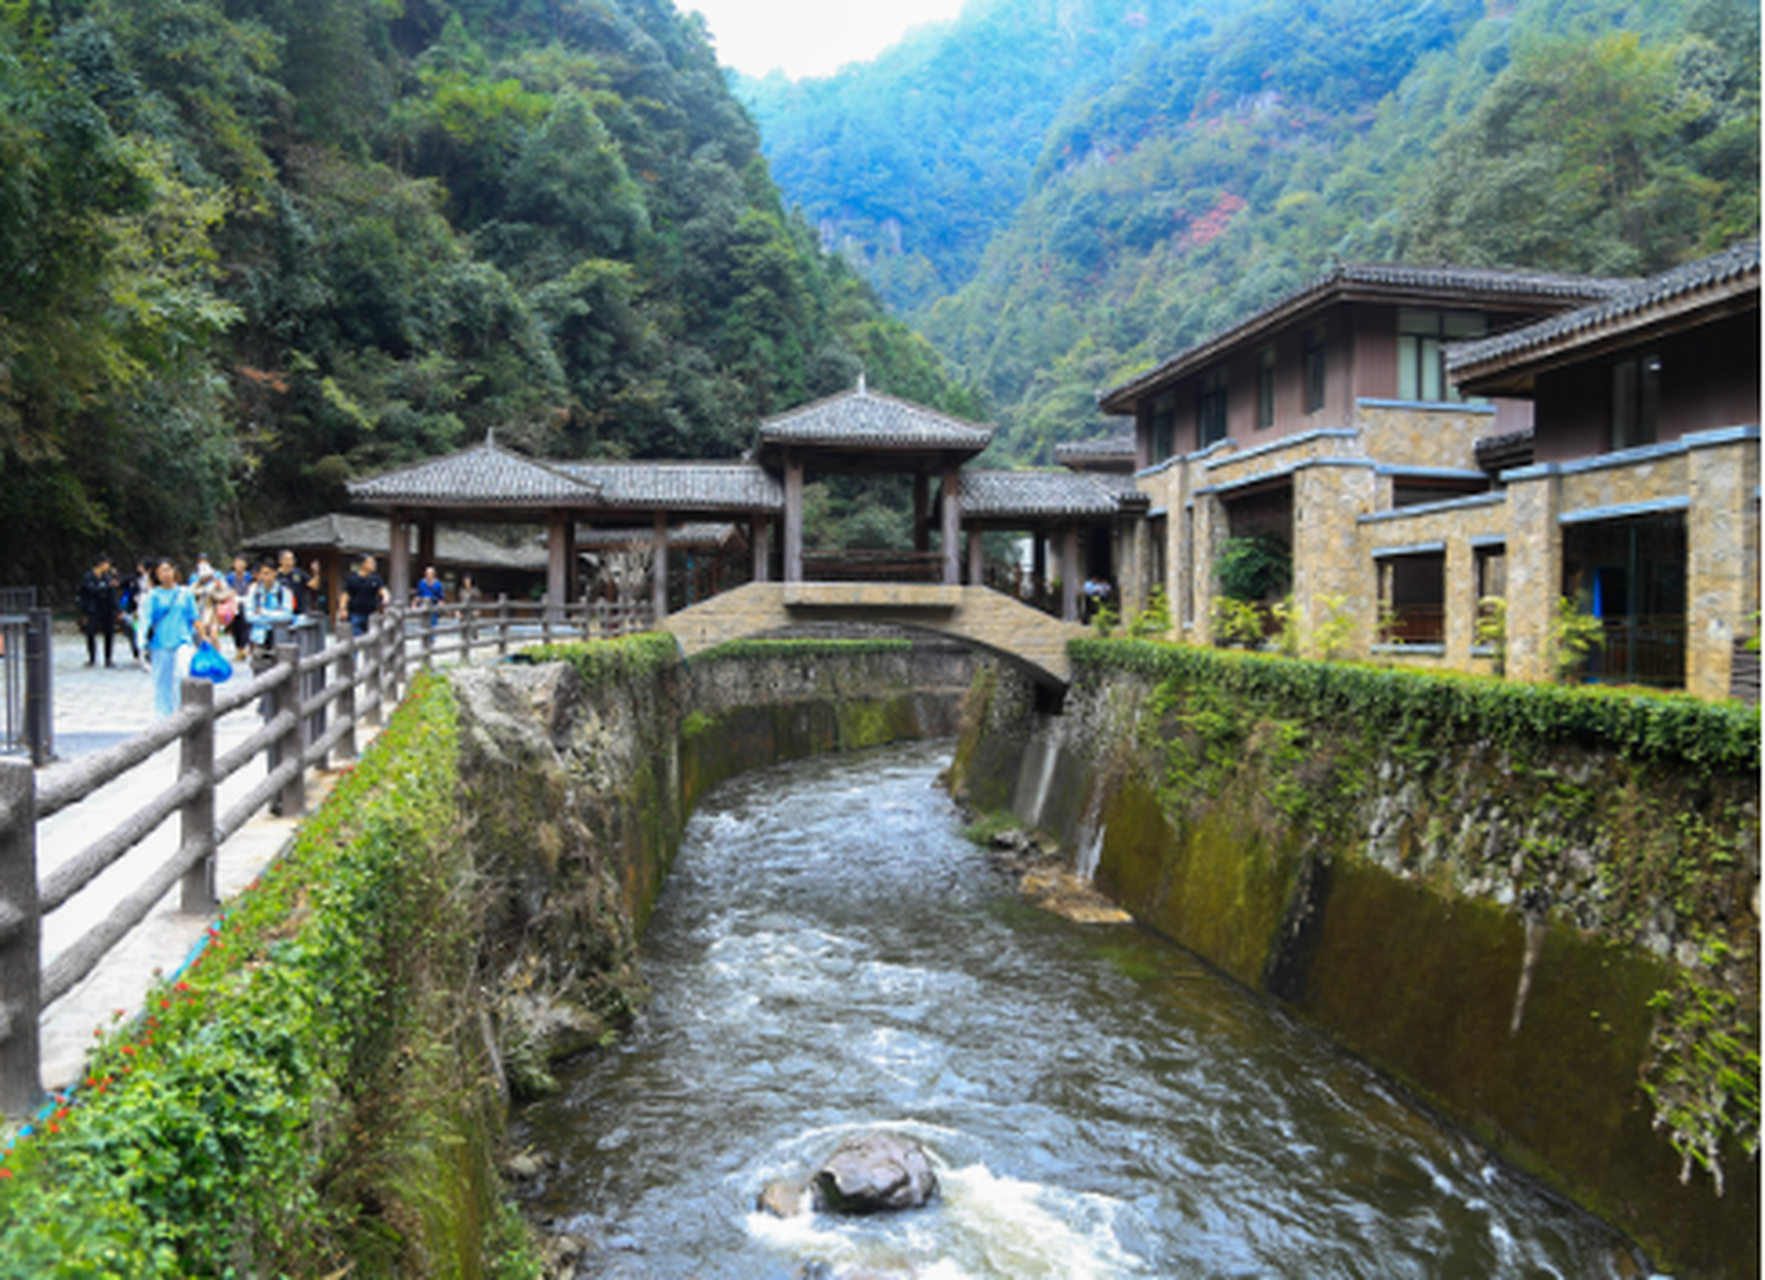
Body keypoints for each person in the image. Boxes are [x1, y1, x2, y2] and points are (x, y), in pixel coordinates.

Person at [144, 558, 201, 717]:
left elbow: (194, 616)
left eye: (168, 569)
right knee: (162, 681)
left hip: (183, 640)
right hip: (160, 643)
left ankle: (181, 711)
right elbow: (146, 619)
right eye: (162, 571)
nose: (166, 574)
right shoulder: (153, 596)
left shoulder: (185, 593)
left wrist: (204, 636)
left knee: (183, 674)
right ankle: (163, 716)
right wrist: (141, 641)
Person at [243, 558, 295, 656]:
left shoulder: (284, 591)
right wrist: (275, 616)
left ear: (275, 573)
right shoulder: (254, 590)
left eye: (269, 573)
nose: (267, 577)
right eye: (264, 573)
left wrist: (264, 613)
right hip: (259, 637)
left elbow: (288, 615)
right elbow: (249, 616)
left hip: (280, 637)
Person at [77, 552, 120, 667]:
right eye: (107, 564)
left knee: (109, 633)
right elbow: (90, 590)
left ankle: (108, 658)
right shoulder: (88, 576)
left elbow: (113, 593)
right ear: (100, 564)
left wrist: (117, 609)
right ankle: (92, 658)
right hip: (93, 608)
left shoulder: (108, 577)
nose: (109, 567)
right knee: (90, 632)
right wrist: (107, 586)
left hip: (107, 608)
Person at [339, 553, 389, 636]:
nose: (374, 564)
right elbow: (345, 595)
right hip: (355, 613)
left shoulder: (376, 579)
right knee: (355, 639)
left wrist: (385, 598)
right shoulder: (352, 579)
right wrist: (342, 609)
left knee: (372, 639)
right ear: (363, 564)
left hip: (371, 614)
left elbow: (383, 591)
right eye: (371, 562)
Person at [225, 555, 254, 657]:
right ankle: (239, 647)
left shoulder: (249, 577)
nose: (239, 566)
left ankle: (244, 646)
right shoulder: (230, 577)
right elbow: (227, 589)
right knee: (235, 625)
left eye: (242, 564)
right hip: (234, 602)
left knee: (245, 625)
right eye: (238, 563)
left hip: (246, 601)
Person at [115, 559, 141, 663]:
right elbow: (122, 582)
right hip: (134, 611)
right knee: (134, 631)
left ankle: (142, 652)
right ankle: (137, 651)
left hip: (144, 612)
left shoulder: (153, 580)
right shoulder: (133, 579)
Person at [277, 549, 313, 619]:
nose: (292, 560)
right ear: (281, 561)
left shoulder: (298, 573)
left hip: (298, 611)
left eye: (293, 558)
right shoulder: (275, 575)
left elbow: (313, 584)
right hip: (280, 612)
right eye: (290, 559)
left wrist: (316, 573)